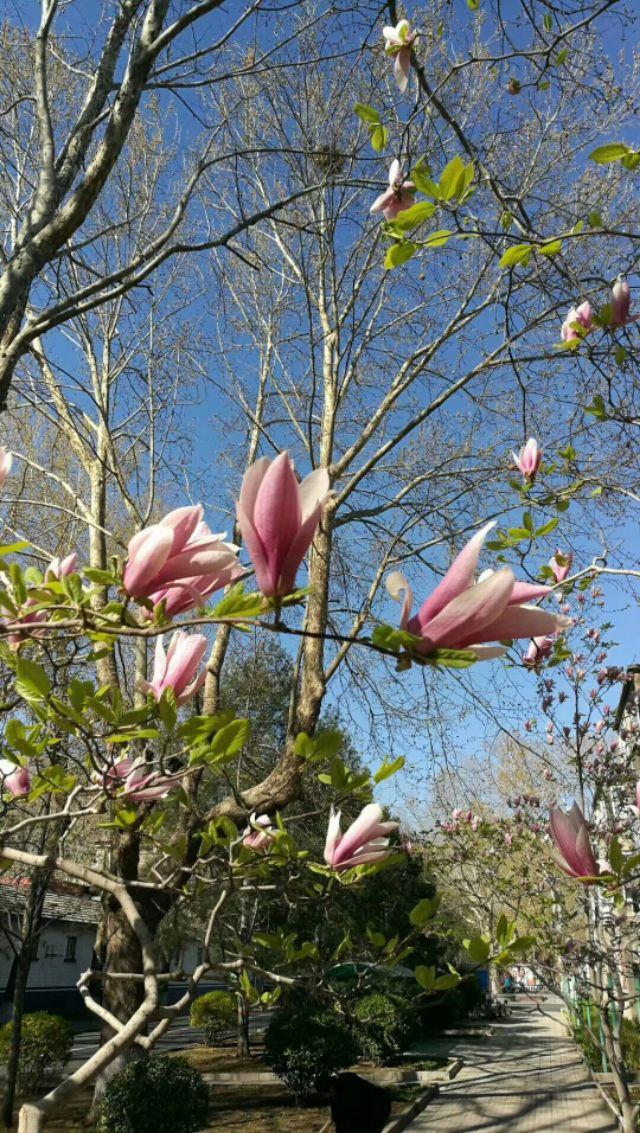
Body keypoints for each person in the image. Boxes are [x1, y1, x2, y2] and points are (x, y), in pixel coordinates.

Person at [326, 1072, 392, 1133]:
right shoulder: (338, 1092)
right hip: (365, 1108)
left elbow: (354, 1112)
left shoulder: (350, 1087)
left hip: (379, 1107)